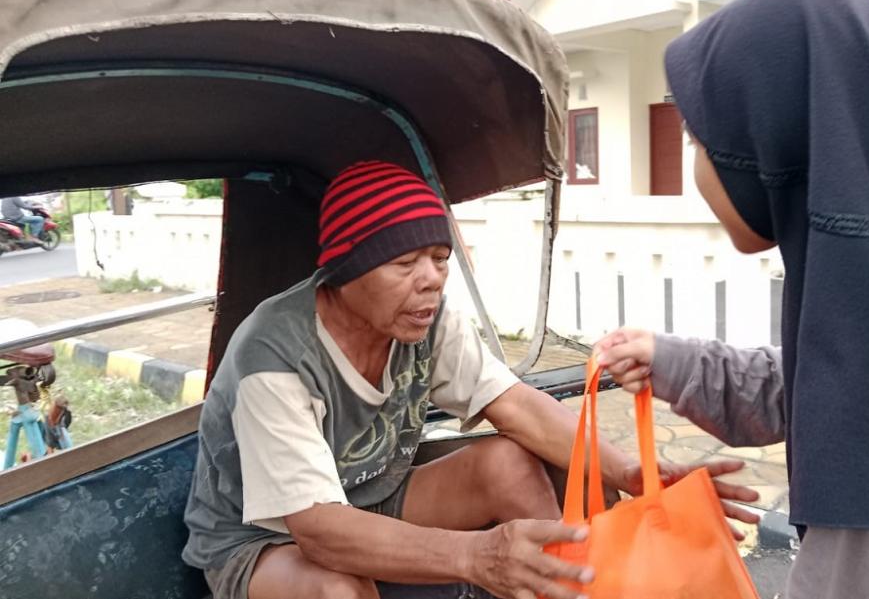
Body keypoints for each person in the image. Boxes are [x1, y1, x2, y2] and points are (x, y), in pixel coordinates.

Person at [595, 0, 869, 598]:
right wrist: (670, 359)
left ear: (769, 143)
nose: (699, 166)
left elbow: (858, 404)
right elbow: (826, 381)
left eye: (698, 139)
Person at [182, 160, 759, 599]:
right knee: (340, 591)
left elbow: (515, 404)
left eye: (439, 257)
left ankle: (566, 585)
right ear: (344, 270)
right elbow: (320, 532)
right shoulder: (275, 355)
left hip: (376, 497)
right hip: (264, 538)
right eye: (404, 263)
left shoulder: (425, 320)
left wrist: (631, 472)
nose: (430, 280)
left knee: (507, 461)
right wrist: (477, 555)